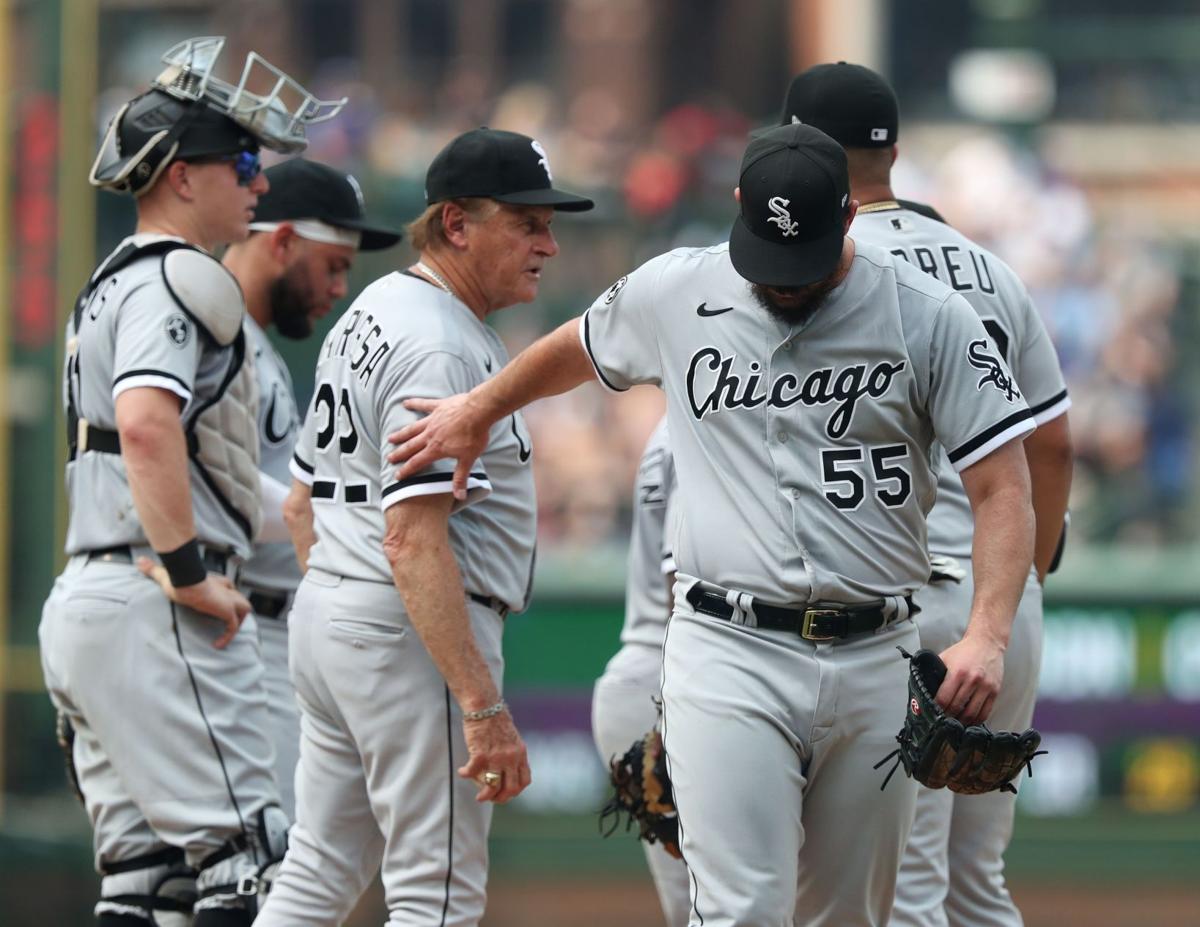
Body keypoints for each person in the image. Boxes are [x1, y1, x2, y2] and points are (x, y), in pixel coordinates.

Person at [388, 122, 1039, 927]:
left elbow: (1003, 487)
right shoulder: (678, 286)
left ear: (847, 217)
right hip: (731, 648)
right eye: (768, 257)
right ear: (739, 209)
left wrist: (988, 632)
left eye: (802, 264)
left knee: (853, 917)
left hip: (879, 650)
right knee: (742, 912)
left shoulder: (928, 315)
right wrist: (480, 408)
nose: (784, 282)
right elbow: (580, 345)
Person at [253, 127, 594, 926]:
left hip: (339, 610)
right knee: (435, 890)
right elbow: (410, 538)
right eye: (526, 222)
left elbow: (302, 503)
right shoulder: (437, 343)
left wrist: (343, 609)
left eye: (549, 223)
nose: (547, 242)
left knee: (318, 869)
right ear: (456, 224)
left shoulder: (376, 306)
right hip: (408, 626)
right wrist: (480, 703)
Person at [39, 37, 342, 926]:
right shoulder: (181, 276)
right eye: (243, 162)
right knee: (253, 864)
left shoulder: (108, 282)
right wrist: (185, 570)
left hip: (85, 604)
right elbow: (144, 420)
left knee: (147, 886)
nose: (258, 185)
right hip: (152, 598)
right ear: (178, 173)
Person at [780, 61, 1073, 927]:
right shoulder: (990, 268)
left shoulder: (817, 265)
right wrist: (1032, 571)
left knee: (904, 889)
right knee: (977, 879)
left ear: (795, 150)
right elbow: (1053, 441)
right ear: (896, 151)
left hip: (901, 600)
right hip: (1003, 601)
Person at [221, 157, 402, 818]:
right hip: (237, 628)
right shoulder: (217, 339)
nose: (339, 287)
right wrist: (332, 515)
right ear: (283, 241)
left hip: (268, 630)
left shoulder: (251, 345)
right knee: (257, 868)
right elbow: (202, 485)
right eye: (332, 265)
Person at [591, 416, 691, 926]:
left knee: (701, 905)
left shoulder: (666, 426)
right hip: (669, 674)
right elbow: (686, 587)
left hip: (643, 671)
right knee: (713, 902)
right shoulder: (705, 417)